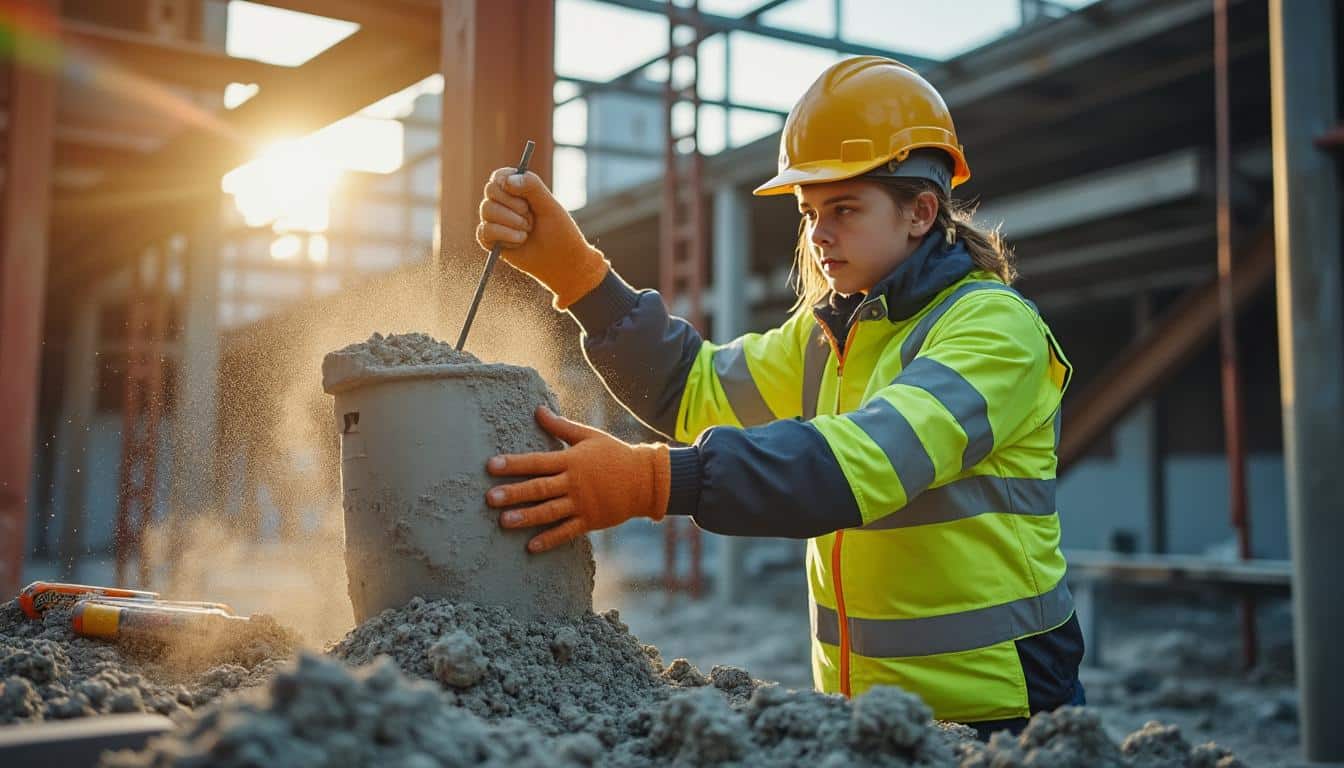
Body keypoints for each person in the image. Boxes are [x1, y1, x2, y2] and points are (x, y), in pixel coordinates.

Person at [475, 55, 1084, 738]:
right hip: (867, 720)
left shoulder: (993, 329)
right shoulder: (827, 336)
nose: (819, 235)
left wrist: (650, 480)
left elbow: (857, 465)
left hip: (1004, 717)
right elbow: (690, 386)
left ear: (920, 211)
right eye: (810, 211)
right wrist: (580, 275)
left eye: (844, 208)